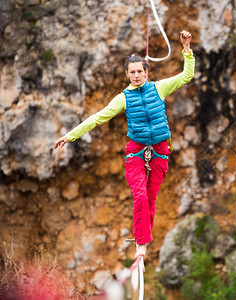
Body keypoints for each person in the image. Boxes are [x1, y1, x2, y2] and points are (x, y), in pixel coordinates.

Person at [54, 30, 195, 258]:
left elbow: (186, 76)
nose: (137, 75)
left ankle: (143, 240)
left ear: (146, 72)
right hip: (136, 153)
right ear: (127, 74)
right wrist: (70, 135)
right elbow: (98, 117)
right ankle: (141, 243)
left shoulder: (159, 87)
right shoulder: (123, 98)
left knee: (150, 199)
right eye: (133, 72)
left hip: (160, 152)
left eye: (140, 71)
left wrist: (186, 48)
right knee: (139, 197)